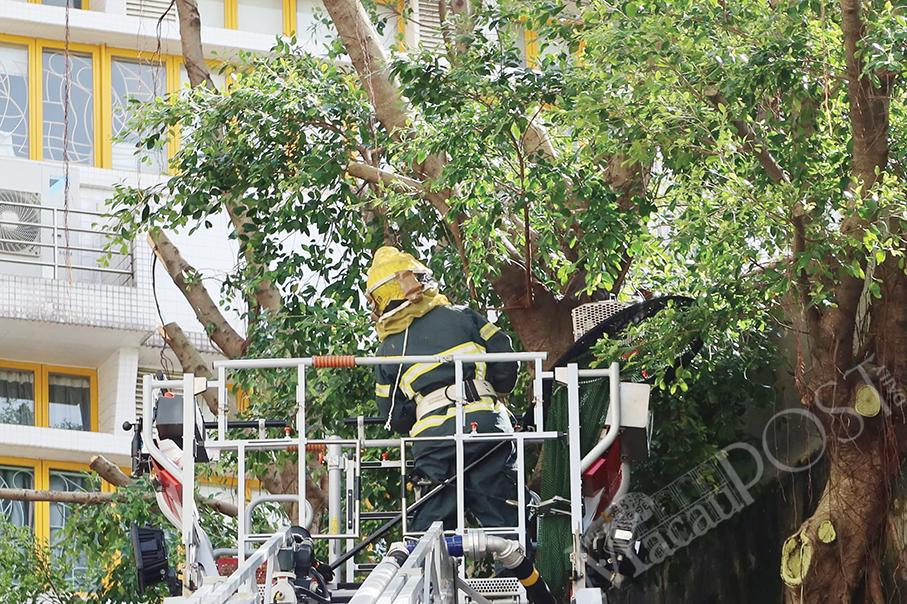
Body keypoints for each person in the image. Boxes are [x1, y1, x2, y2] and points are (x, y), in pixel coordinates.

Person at [366, 246, 520, 532]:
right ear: (417, 280)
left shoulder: (386, 351)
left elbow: (394, 417)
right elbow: (506, 362)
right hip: (486, 426)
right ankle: (517, 574)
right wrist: (495, 389)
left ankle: (431, 574)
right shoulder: (463, 316)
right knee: (506, 520)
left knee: (432, 527)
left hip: (434, 441)